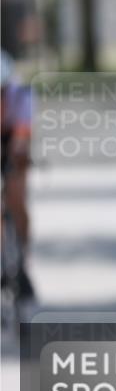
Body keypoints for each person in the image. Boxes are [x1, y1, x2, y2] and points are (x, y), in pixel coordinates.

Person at [1, 49, 37, 309]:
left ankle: (22, 260)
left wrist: (17, 158)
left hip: (13, 139)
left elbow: (22, 139)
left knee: (16, 196)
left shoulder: (21, 97)